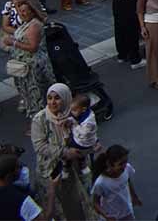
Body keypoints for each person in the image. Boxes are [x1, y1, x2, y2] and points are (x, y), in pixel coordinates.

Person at [30, 84, 91, 218]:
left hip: (76, 167)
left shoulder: (75, 113)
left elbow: (88, 136)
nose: (52, 102)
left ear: (66, 98)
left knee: (80, 204)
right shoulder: (40, 119)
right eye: (49, 98)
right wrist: (64, 152)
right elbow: (39, 146)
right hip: (52, 171)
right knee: (59, 208)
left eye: (57, 98)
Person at [2, 0, 56, 121]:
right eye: (20, 11)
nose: (22, 13)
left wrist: (13, 42)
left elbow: (32, 47)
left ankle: (40, 124)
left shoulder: (34, 25)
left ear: (33, 11)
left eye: (25, 11)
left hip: (33, 68)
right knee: (32, 96)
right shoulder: (28, 23)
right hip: (26, 67)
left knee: (36, 96)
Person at [0, 152, 46, 221]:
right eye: (18, 168)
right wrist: (52, 191)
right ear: (9, 176)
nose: (21, 169)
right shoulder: (22, 200)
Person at [90, 144, 141, 221]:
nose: (124, 166)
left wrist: (134, 196)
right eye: (120, 164)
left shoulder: (127, 168)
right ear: (109, 164)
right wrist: (106, 216)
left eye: (125, 162)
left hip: (127, 212)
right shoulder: (101, 183)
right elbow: (95, 203)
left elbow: (127, 180)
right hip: (112, 217)